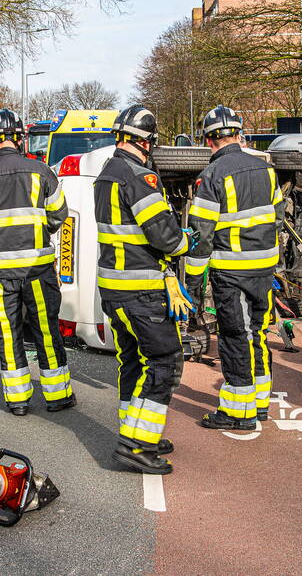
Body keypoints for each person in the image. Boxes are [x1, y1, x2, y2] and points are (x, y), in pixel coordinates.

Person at [95, 105, 194, 475]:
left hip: (114, 289)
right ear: (147, 142)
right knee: (165, 361)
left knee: (134, 361)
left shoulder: (107, 173)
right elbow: (166, 238)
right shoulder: (140, 178)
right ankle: (135, 447)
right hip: (142, 290)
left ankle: (134, 432)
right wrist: (189, 241)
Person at [0, 109, 75, 416]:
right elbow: (59, 214)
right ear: (20, 138)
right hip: (37, 269)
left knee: (8, 334)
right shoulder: (41, 172)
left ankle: (18, 400)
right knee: (46, 330)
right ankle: (58, 396)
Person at [185, 105, 283, 430]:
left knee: (234, 336)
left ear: (208, 140)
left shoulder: (211, 176)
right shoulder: (266, 169)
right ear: (239, 135)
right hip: (265, 270)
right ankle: (260, 404)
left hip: (232, 274)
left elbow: (201, 237)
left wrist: (194, 284)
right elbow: (279, 217)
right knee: (258, 333)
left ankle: (237, 413)